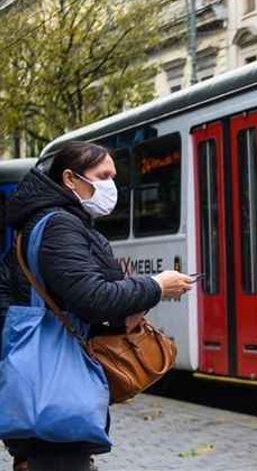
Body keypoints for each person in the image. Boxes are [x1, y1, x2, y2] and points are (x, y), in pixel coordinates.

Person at [0, 141, 192, 471]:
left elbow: (70, 296)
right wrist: (155, 286)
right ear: (71, 179)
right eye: (102, 175)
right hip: (55, 393)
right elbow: (92, 296)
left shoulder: (44, 222)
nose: (111, 186)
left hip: (41, 389)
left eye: (114, 176)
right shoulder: (60, 225)